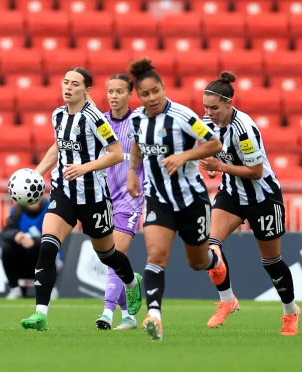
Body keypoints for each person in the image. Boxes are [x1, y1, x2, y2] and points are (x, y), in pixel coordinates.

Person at [21, 67, 143, 331]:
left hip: (93, 198)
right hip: (63, 191)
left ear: (86, 90)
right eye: (65, 82)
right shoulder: (57, 115)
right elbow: (58, 146)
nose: (68, 88)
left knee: (108, 254)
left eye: (75, 84)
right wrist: (36, 173)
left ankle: (132, 282)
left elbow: (116, 154)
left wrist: (85, 167)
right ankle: (40, 313)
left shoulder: (95, 119)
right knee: (48, 246)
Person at [126, 57, 225, 342]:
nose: (152, 97)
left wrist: (185, 155)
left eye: (155, 90)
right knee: (156, 255)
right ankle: (154, 316)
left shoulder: (182, 116)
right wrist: (133, 172)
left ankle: (213, 260)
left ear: (163, 87)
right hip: (157, 198)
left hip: (191, 199)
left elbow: (214, 144)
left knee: (197, 262)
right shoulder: (136, 119)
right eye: (145, 94)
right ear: (139, 96)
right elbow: (135, 145)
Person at [197, 72, 300, 335]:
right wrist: (211, 168)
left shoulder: (244, 129)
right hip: (232, 194)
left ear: (230, 103)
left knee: (271, 262)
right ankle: (227, 300)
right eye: (206, 107)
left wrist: (219, 165)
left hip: (262, 197)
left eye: (215, 108)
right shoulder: (207, 123)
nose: (209, 112)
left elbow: (255, 171)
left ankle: (290, 312)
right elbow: (211, 149)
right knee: (210, 247)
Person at [96, 74, 146, 331]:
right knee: (111, 258)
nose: (114, 96)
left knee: (117, 253)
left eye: (119, 91)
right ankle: (129, 314)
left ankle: (106, 313)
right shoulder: (100, 122)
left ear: (130, 95)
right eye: (110, 91)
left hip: (131, 199)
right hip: (104, 199)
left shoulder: (140, 122)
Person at [1, 196, 62, 300]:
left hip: (44, 259)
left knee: (49, 248)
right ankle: (15, 289)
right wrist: (16, 235)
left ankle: (50, 288)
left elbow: (56, 233)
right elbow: (6, 232)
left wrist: (34, 241)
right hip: (23, 260)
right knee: (7, 248)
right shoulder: (16, 210)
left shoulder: (51, 208)